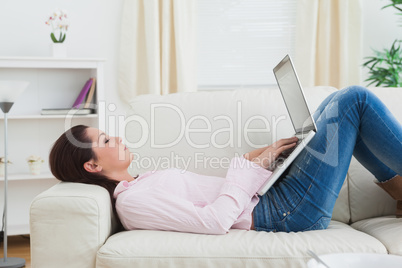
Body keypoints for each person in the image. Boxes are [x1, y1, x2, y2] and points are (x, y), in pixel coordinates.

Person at [49, 86, 402, 235]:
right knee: (353, 100)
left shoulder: (140, 183)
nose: (118, 139)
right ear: (93, 166)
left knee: (334, 105)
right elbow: (215, 221)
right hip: (286, 213)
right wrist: (245, 168)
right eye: (106, 141)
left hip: (273, 198)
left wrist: (255, 161)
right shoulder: (133, 202)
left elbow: (217, 194)